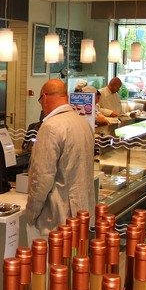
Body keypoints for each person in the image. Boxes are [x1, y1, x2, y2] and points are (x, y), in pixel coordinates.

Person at [24, 79, 95, 234]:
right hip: (82, 215)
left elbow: (42, 178)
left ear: (44, 97)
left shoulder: (50, 127)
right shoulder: (83, 123)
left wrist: (30, 214)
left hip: (56, 220)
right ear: (66, 97)